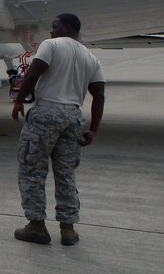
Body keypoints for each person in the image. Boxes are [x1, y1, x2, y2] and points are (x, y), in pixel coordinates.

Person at [11, 13, 105, 246]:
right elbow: (99, 95)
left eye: (55, 26)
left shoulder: (50, 45)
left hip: (46, 113)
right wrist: (93, 129)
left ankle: (36, 226)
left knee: (32, 170)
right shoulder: (91, 58)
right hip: (73, 117)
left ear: (68, 27)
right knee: (65, 174)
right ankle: (68, 229)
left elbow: (33, 73)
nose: (51, 31)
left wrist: (19, 100)